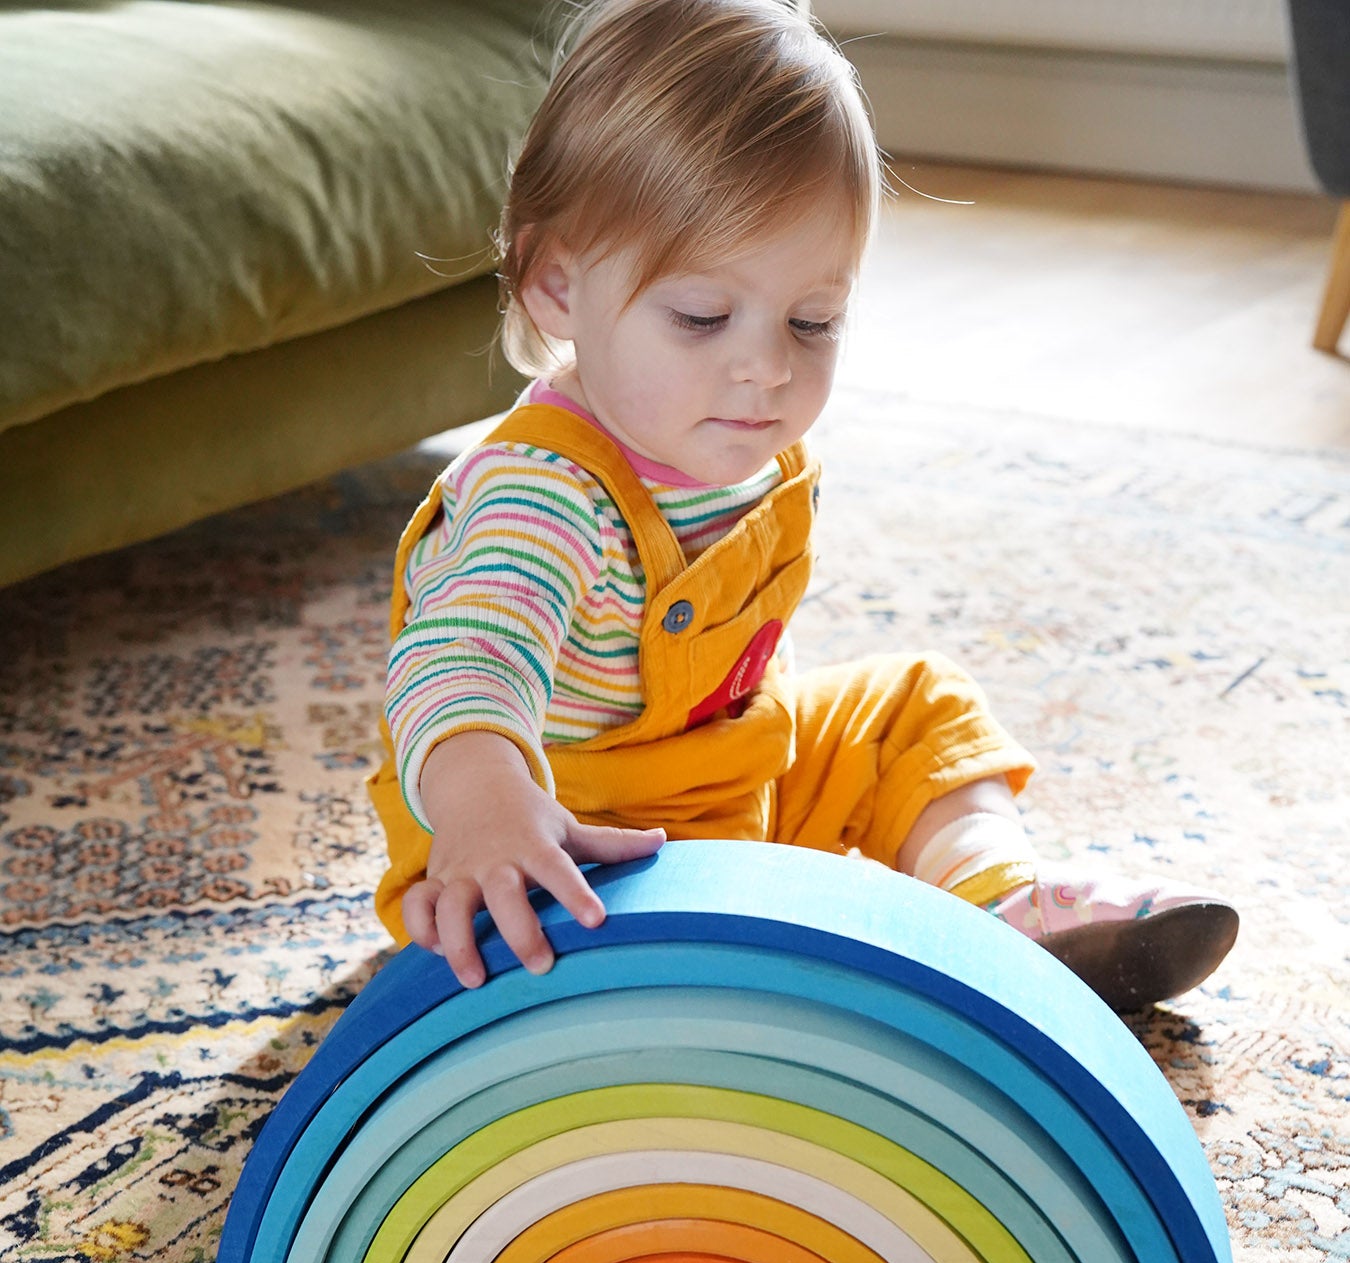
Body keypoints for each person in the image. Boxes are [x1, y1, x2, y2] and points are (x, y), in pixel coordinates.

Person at [368, 0, 1238, 1013]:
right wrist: (488, 813)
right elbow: (462, 663)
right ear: (557, 285)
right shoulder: (540, 495)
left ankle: (998, 900)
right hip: (571, 849)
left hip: (732, 780)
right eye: (702, 316)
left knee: (916, 704)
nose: (768, 367)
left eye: (813, 321)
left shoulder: (736, 440)